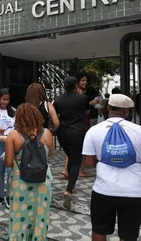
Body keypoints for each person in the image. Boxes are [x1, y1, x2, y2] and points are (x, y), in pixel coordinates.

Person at [82, 94, 141, 241]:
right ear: (127, 112)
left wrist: (104, 162)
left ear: (108, 108)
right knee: (128, 235)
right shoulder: (139, 131)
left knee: (99, 230)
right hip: (134, 192)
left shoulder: (93, 131)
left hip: (104, 190)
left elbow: (88, 163)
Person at [5, 103, 53, 241]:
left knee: (19, 217)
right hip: (43, 180)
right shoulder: (47, 134)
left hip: (21, 181)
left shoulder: (14, 135)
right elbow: (49, 155)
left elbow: (8, 163)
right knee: (40, 216)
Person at [53, 77, 90, 209]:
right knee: (76, 160)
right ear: (75, 85)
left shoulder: (58, 100)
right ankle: (68, 190)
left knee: (71, 156)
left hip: (62, 133)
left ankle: (71, 184)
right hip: (78, 132)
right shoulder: (83, 98)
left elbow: (54, 115)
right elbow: (87, 112)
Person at [0, 88, 16, 207]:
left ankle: (9, 195)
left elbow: (17, 126)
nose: (5, 102)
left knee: (9, 170)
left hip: (10, 142)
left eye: (7, 99)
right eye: (3, 99)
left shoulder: (13, 111)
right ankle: (1, 195)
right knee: (0, 170)